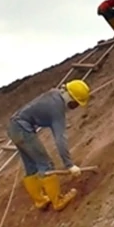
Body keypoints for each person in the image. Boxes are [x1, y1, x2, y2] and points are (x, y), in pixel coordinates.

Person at [9, 80, 90, 212]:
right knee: (46, 165)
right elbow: (60, 138)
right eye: (74, 104)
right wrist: (69, 164)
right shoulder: (57, 108)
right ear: (70, 97)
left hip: (14, 127)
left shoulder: (54, 94)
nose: (72, 108)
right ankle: (58, 200)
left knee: (30, 166)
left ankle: (40, 201)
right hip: (23, 130)